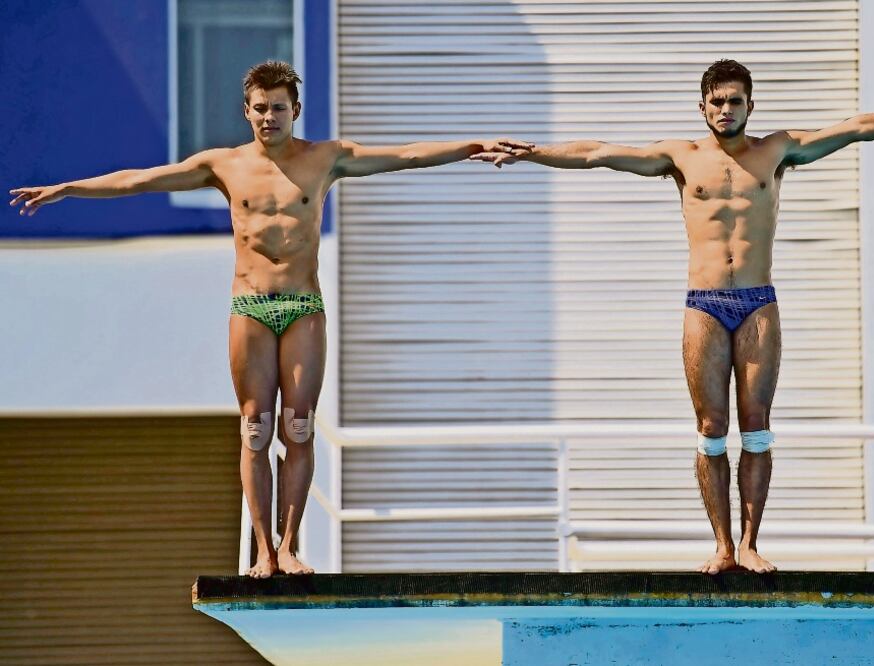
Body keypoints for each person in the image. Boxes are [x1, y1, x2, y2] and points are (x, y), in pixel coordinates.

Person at [9, 60, 533, 578]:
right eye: (259, 109)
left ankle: (289, 546)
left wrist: (471, 146)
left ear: (296, 111)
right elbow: (140, 180)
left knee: (297, 427)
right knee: (256, 428)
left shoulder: (328, 158)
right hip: (250, 307)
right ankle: (261, 551)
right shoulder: (224, 165)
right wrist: (68, 188)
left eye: (278, 108)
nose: (268, 118)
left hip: (303, 306)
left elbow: (407, 155)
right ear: (247, 111)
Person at [472, 59, 874, 574]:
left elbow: (855, 129)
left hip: (759, 302)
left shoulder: (776, 150)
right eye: (716, 101)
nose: (725, 109)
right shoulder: (682, 157)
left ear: (750, 106)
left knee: (756, 427)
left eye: (735, 101)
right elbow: (599, 153)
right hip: (705, 306)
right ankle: (722, 547)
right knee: (711, 427)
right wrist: (536, 153)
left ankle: (751, 543)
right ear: (702, 107)